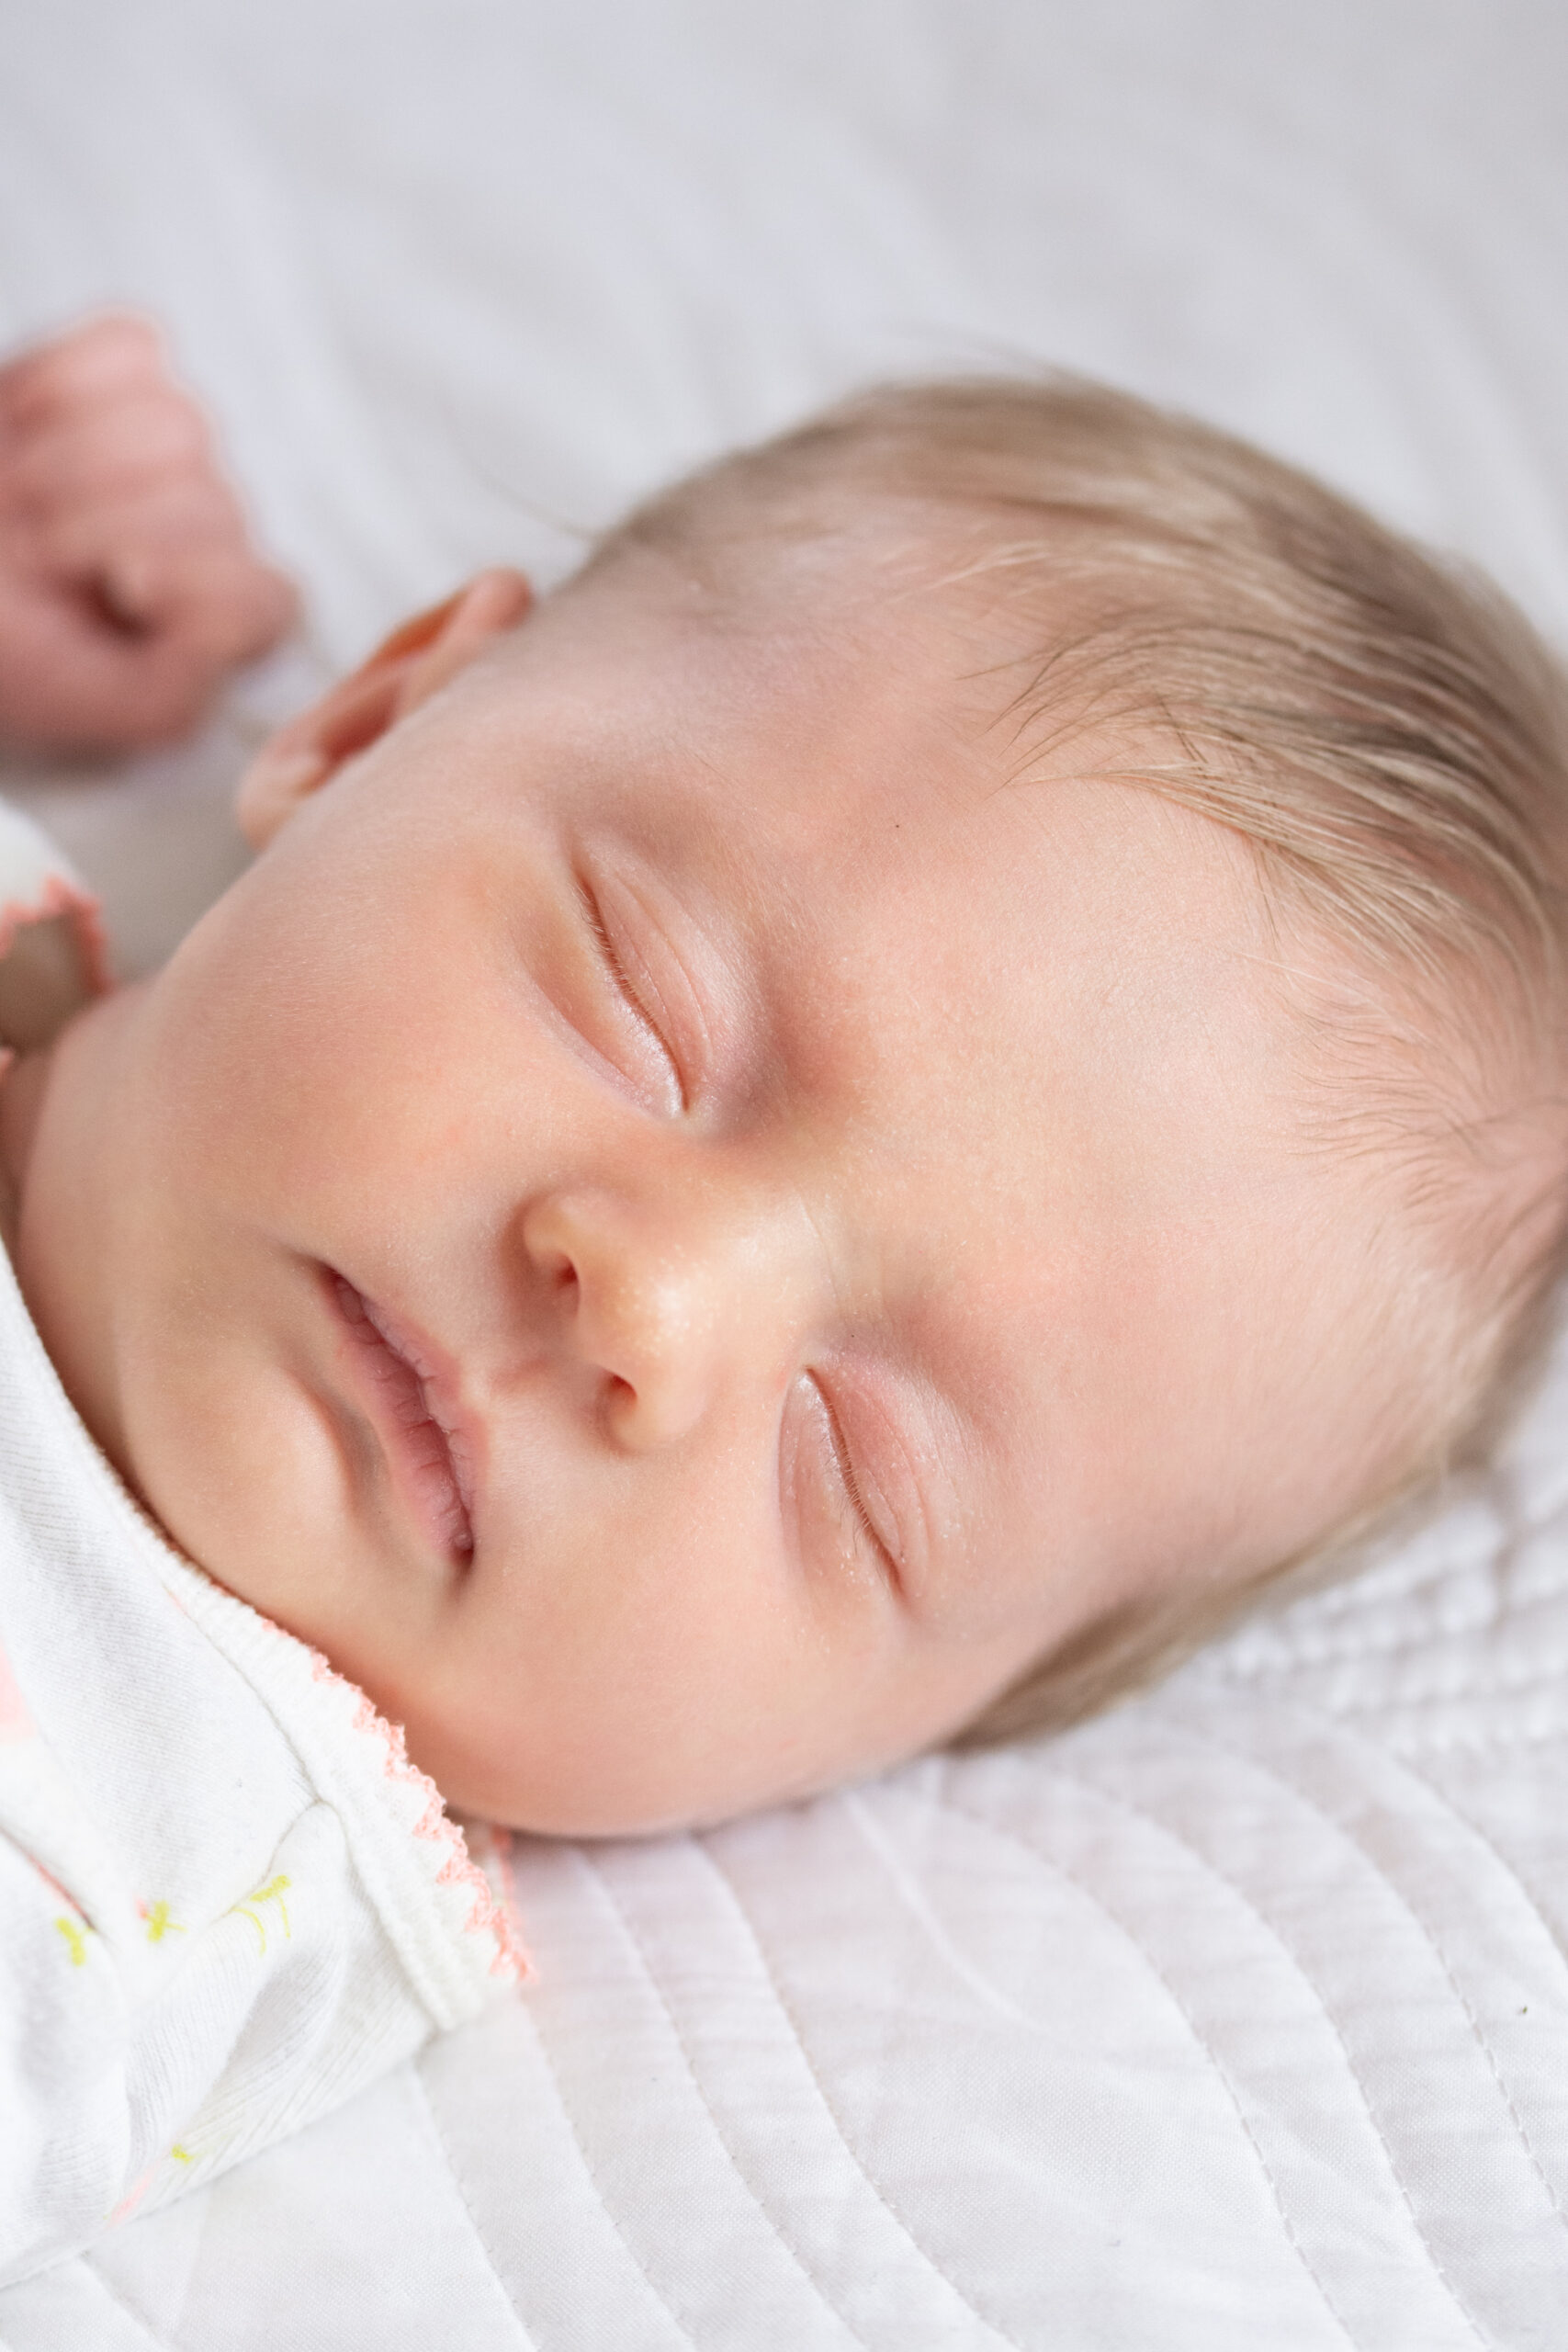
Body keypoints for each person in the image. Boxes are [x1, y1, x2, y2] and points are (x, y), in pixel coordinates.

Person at [2, 314, 1566, 2272]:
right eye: (639, 1013)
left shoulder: (105, 1901)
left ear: (895, 1738)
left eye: (856, 1462)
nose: (645, 1299)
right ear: (373, 725)